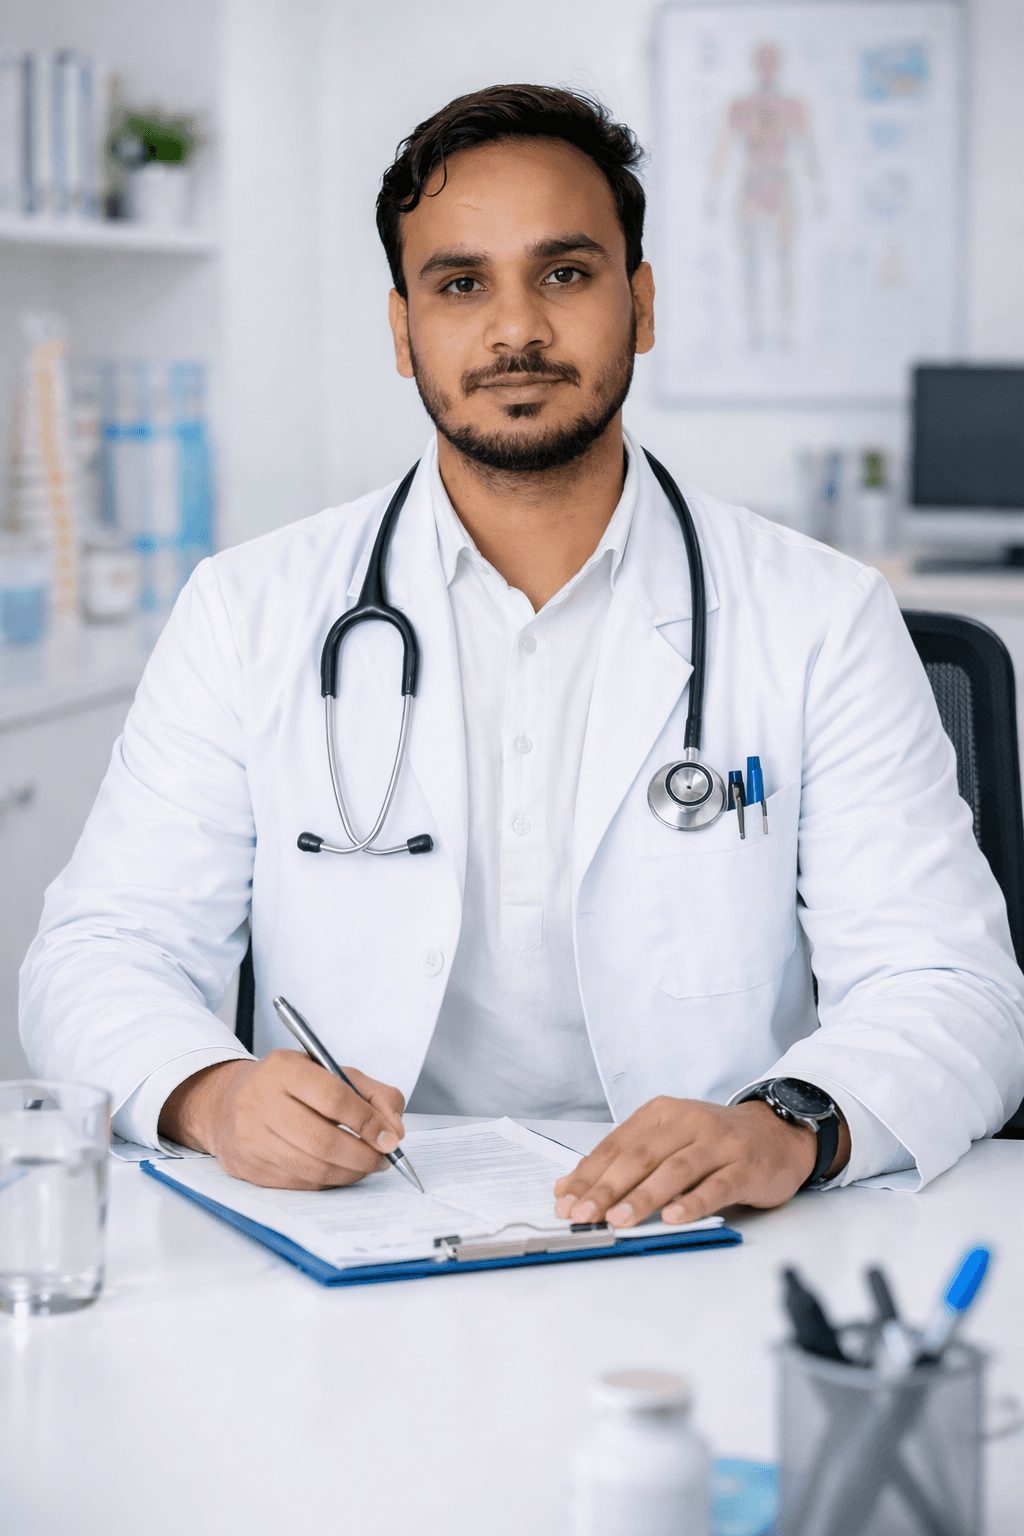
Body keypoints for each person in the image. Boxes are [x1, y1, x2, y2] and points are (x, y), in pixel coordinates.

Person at [21, 86, 1024, 1229]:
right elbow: (101, 951)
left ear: (639, 304)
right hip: (359, 1230)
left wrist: (783, 1125)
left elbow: (954, 992)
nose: (516, 331)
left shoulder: (821, 614)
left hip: (707, 1235)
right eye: (460, 284)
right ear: (402, 332)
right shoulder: (248, 609)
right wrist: (210, 1095)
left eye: (564, 273)